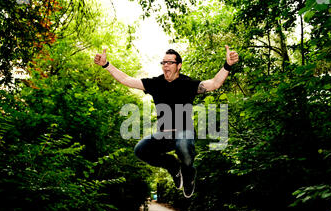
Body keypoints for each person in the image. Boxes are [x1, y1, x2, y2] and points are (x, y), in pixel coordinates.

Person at [94, 46, 239, 198]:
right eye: (163, 62)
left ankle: (188, 176)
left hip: (184, 133)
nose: (165, 65)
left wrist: (227, 65)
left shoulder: (188, 84)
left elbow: (215, 83)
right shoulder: (155, 83)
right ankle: (172, 165)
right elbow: (126, 80)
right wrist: (106, 65)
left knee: (183, 145)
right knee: (140, 150)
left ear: (179, 66)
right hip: (164, 135)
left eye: (170, 62)